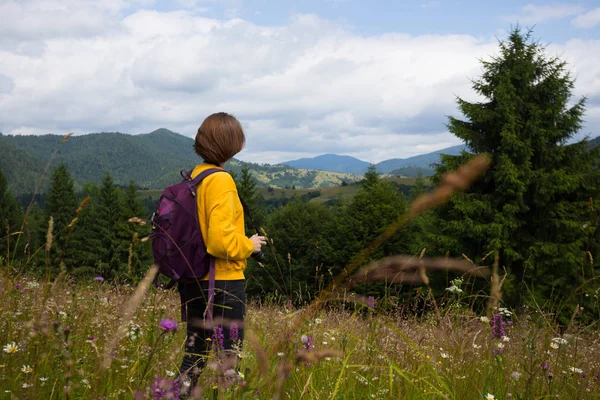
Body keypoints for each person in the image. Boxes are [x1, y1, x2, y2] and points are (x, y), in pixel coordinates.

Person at [178, 112, 266, 391]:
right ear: (232, 144)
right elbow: (220, 242)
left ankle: (173, 396)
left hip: (193, 280)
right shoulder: (221, 180)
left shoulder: (194, 177)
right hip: (223, 282)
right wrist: (249, 245)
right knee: (228, 362)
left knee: (194, 357)